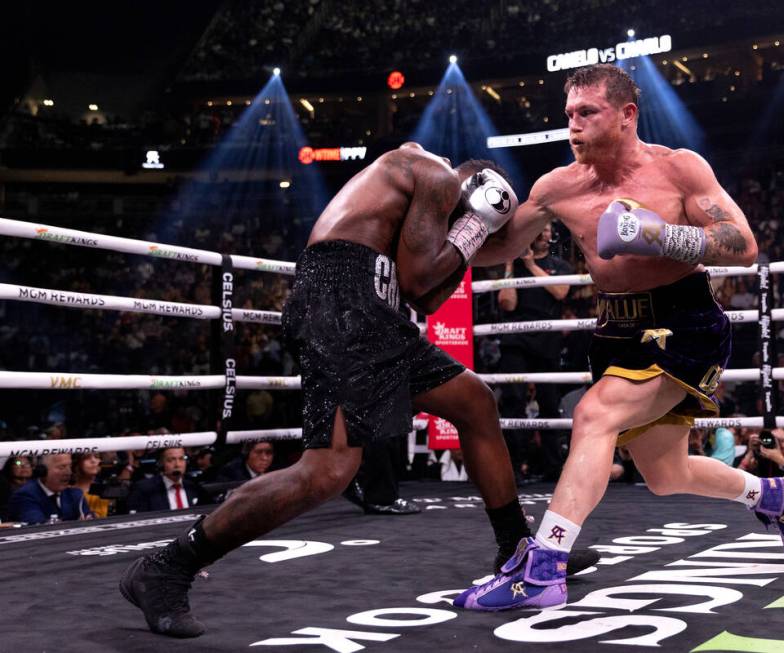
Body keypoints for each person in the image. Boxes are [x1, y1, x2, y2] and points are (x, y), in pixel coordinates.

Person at [120, 142, 596, 638]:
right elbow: (417, 281)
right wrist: (474, 225)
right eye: (472, 216)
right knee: (326, 471)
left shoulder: (423, 209)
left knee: (474, 402)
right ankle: (167, 567)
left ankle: (516, 548)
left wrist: (476, 232)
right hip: (344, 297)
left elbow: (427, 296)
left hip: (374, 304)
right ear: (471, 187)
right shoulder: (432, 174)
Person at [455, 64, 784, 612]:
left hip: (683, 322)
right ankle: (772, 494)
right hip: (615, 328)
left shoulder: (678, 169)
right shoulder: (557, 187)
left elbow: (742, 244)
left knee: (594, 416)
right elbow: (498, 250)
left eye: (586, 113)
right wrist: (453, 234)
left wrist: (660, 235)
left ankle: (543, 570)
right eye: (569, 115)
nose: (573, 126)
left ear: (626, 115)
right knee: (666, 474)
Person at [497, 222, 572, 482]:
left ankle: (553, 469)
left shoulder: (559, 265)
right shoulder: (513, 266)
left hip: (547, 342)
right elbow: (507, 303)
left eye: (546, 230)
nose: (542, 233)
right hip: (516, 340)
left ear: (551, 235)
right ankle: (513, 469)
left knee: (550, 404)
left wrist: (530, 266)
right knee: (514, 401)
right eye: (537, 230)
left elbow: (561, 292)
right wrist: (510, 265)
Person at [8, 453, 92, 524]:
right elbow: (40, 526)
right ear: (42, 471)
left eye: (70, 466)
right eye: (62, 467)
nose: (68, 472)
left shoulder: (75, 494)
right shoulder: (25, 496)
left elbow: (89, 519)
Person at [128, 447, 209, 513]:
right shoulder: (145, 489)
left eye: (181, 459)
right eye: (171, 460)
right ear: (161, 463)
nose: (177, 464)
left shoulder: (194, 487)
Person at [71, 453, 112, 518]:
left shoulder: (104, 490)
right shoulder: (67, 492)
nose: (93, 461)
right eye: (87, 458)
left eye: (96, 457)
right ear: (77, 463)